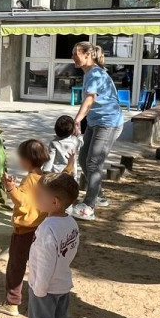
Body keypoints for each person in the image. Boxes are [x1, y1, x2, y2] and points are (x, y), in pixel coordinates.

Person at [18, 174, 81, 318]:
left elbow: (45, 263)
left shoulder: (47, 229)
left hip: (45, 287)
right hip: (62, 283)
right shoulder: (71, 222)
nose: (36, 198)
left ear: (54, 202)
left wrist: (39, 289)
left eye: (40, 195)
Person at [68, 42, 124, 220]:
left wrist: (77, 120)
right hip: (96, 121)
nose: (73, 57)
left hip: (108, 123)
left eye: (76, 53)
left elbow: (90, 99)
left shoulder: (95, 74)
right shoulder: (90, 74)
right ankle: (99, 196)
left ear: (87, 55)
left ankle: (89, 206)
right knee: (84, 158)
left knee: (93, 163)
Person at [0, 139, 49, 317]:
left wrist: (10, 188)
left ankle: (12, 302)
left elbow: (22, 201)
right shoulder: (46, 178)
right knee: (38, 266)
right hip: (40, 230)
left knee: (16, 266)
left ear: (26, 160)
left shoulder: (29, 180)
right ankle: (40, 299)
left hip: (24, 231)